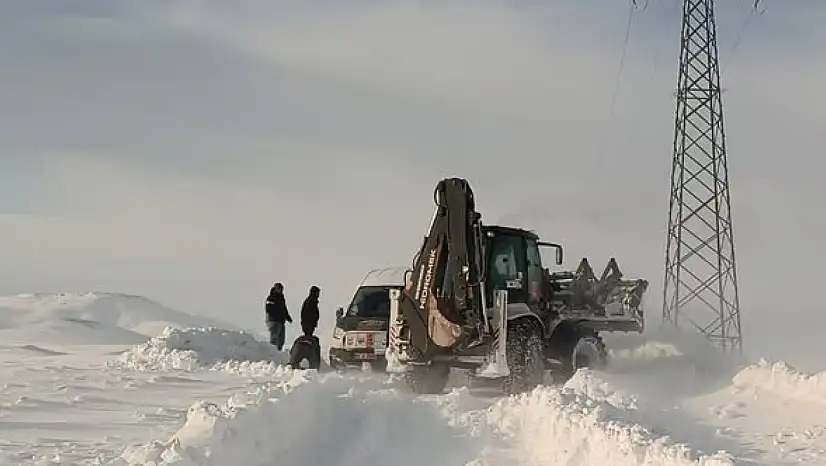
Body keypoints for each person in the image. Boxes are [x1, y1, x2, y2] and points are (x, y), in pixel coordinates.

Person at [265, 282, 292, 350]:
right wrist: (276, 316)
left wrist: (287, 317)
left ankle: (279, 353)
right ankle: (273, 353)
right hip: (273, 321)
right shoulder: (271, 298)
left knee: (281, 340)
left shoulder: (281, 298)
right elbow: (268, 309)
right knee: (274, 338)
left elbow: (284, 309)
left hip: (281, 321)